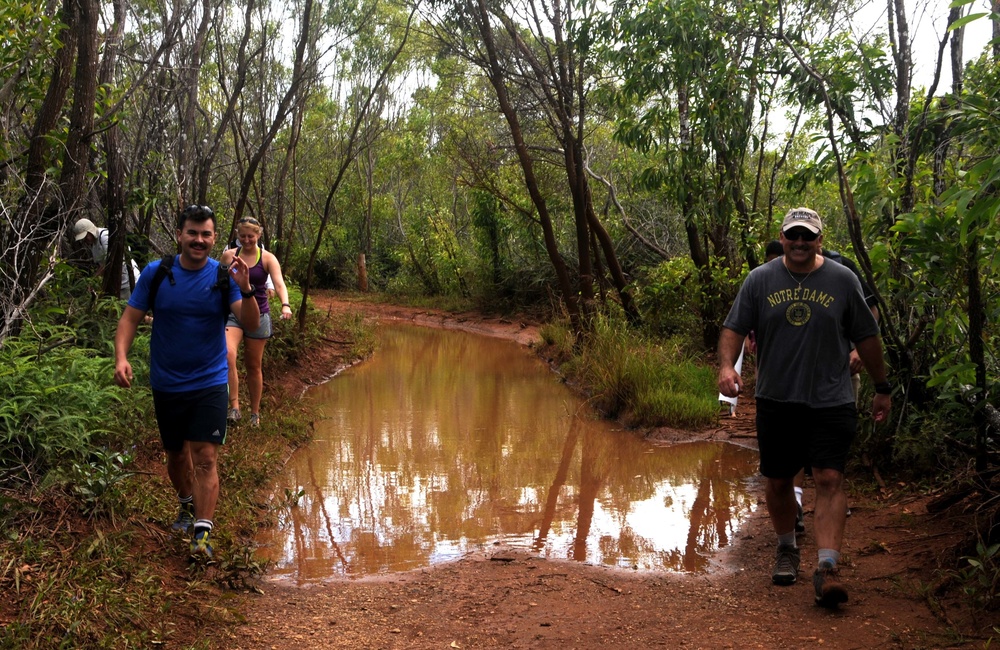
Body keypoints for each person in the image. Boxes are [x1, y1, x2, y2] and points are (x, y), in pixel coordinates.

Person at [717, 207, 892, 608]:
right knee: (779, 480)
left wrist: (882, 386)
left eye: (807, 236)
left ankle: (828, 567)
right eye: (792, 235)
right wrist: (726, 367)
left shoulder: (843, 279)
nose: (799, 243)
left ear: (820, 240)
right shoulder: (759, 280)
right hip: (777, 398)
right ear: (782, 237)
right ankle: (786, 547)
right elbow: (734, 328)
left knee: (828, 476)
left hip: (831, 398)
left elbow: (867, 335)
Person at [113, 205, 260, 558]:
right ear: (179, 235)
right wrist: (121, 357)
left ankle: (202, 535)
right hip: (167, 382)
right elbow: (130, 318)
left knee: (206, 457)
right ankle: (185, 504)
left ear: (213, 238)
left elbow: (251, 325)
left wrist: (248, 289)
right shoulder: (157, 273)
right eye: (192, 233)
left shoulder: (224, 277)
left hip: (209, 381)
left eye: (206, 234)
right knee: (177, 457)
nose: (199, 240)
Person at [220, 217, 293, 428]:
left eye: (250, 236)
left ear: (258, 235)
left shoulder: (268, 258)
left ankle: (254, 413)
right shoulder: (228, 256)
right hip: (234, 313)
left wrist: (285, 304)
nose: (246, 240)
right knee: (228, 354)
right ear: (237, 235)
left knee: (253, 366)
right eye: (242, 236)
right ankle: (234, 407)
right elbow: (218, 282)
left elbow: (279, 283)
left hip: (259, 315)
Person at [73, 218, 142, 300]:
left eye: (85, 236)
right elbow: (102, 266)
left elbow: (109, 263)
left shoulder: (105, 236)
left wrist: (93, 279)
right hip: (118, 284)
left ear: (90, 231)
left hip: (129, 281)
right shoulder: (93, 245)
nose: (85, 240)